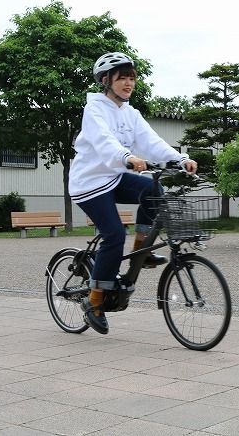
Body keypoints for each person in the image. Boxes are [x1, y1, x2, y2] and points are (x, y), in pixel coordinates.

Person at [69, 52, 197, 335]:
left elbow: (151, 141)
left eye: (131, 78)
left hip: (114, 177)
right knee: (114, 234)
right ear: (106, 80)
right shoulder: (95, 110)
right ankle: (94, 301)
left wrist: (179, 159)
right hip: (89, 183)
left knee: (154, 189)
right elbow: (104, 142)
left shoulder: (131, 113)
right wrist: (127, 157)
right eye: (122, 78)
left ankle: (141, 252)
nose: (128, 83)